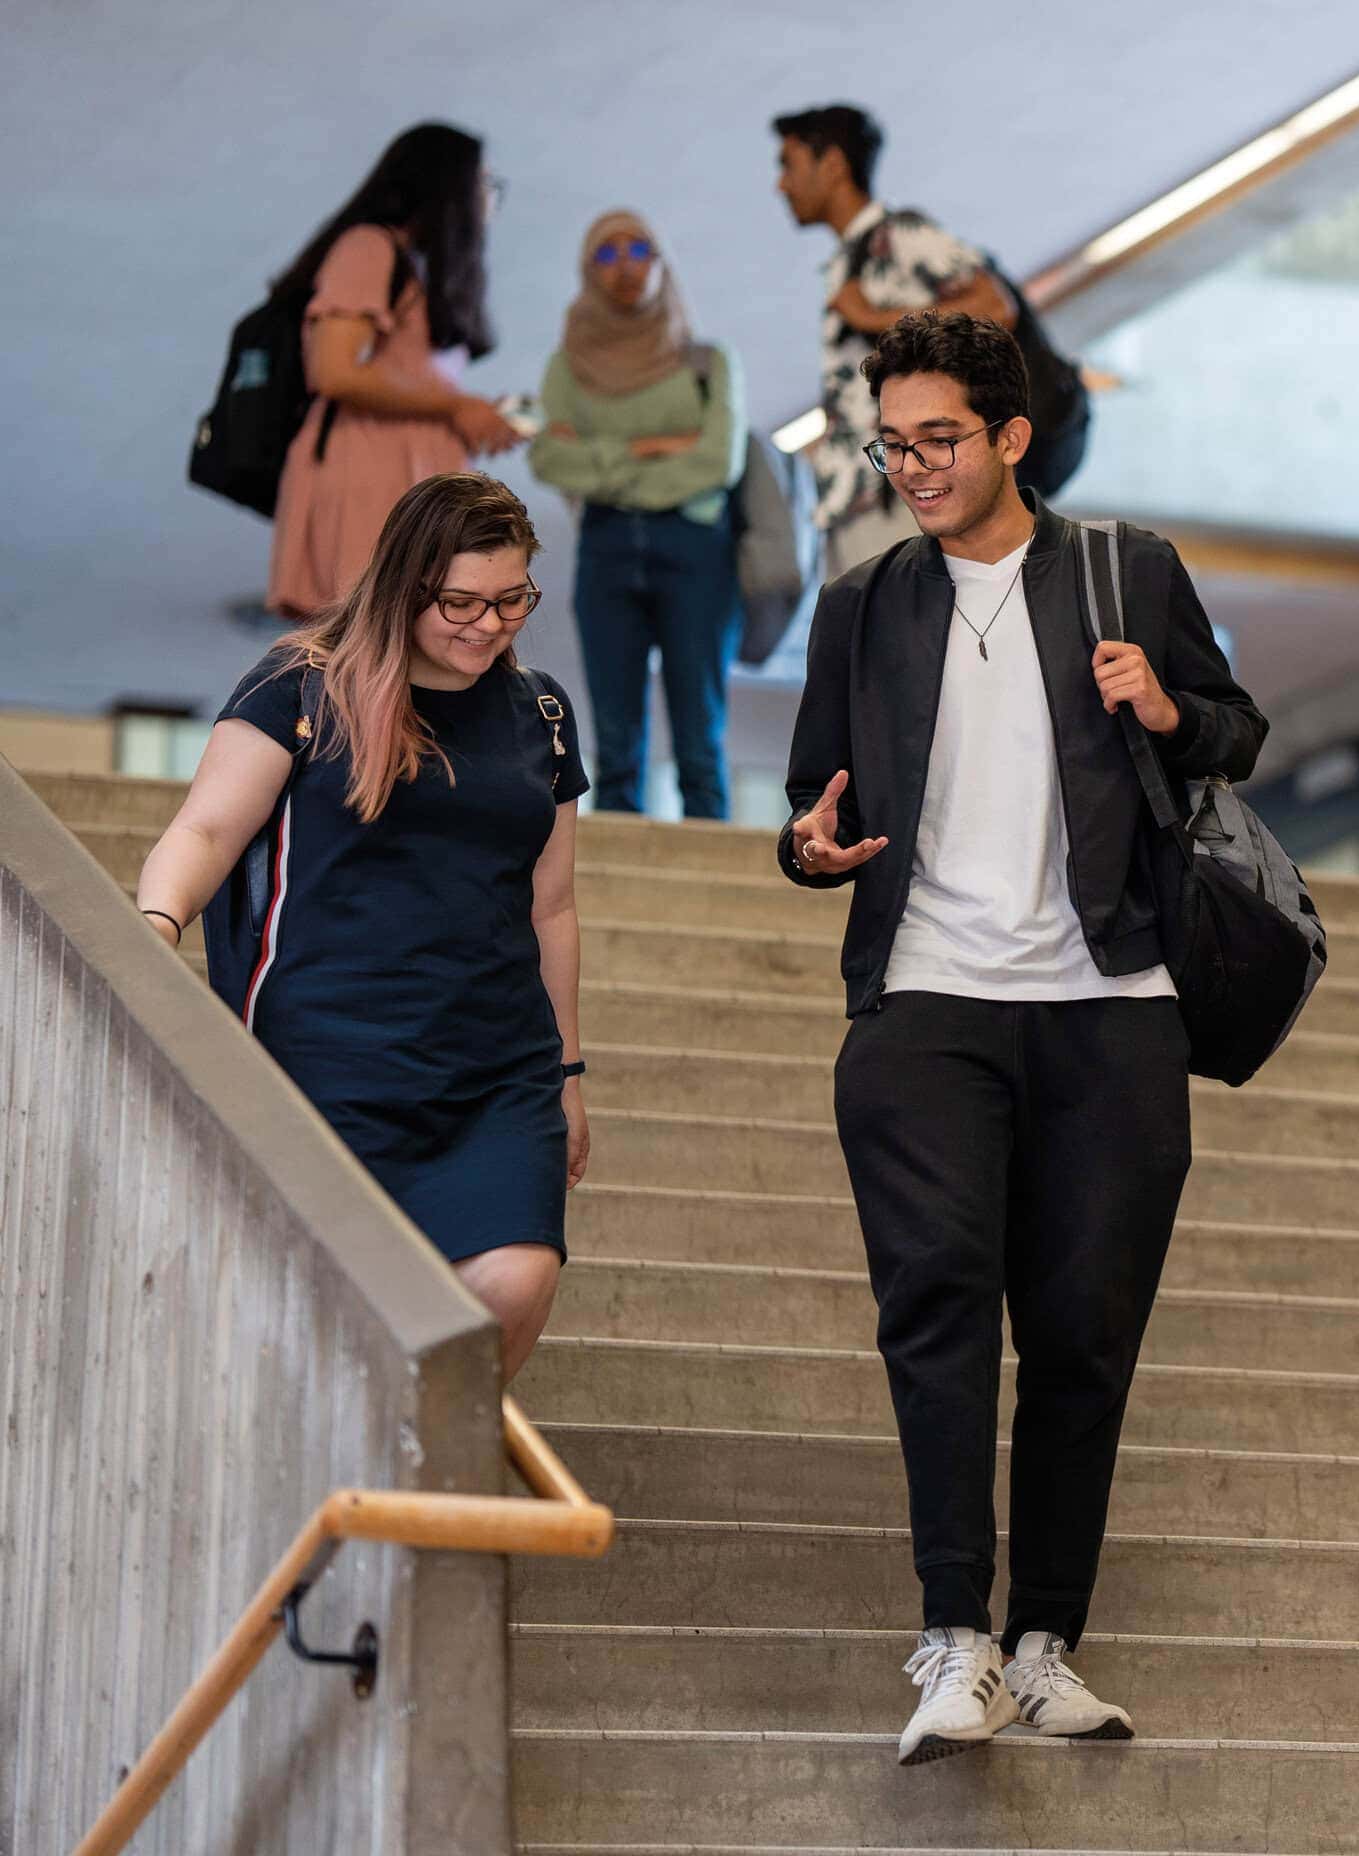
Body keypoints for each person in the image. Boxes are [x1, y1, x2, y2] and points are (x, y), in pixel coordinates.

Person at [778, 311, 1266, 1764]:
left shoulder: (1127, 570)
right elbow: (818, 800)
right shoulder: (865, 606)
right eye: (894, 444)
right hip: (927, 996)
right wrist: (808, 848)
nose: (914, 468)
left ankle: (1047, 1641)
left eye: (940, 440)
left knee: (1081, 1333)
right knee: (936, 1302)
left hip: (1109, 1004)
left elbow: (1236, 736)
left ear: (1010, 439)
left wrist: (1169, 704)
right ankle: (953, 1638)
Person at [136, 473, 589, 1377]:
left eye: (512, 600)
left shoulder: (540, 713)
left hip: (497, 1067)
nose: (489, 624)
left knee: (514, 1279)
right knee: (321, 1316)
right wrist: (153, 925)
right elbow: (207, 828)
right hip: (327, 1055)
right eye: (460, 600)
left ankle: (422, 1489)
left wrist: (569, 1072)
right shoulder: (303, 685)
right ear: (405, 584)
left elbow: (552, 905)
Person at [527, 210, 748, 817]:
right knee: (615, 742)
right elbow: (547, 456)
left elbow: (717, 463)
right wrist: (652, 451)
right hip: (607, 548)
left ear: (661, 261)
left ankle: (715, 898)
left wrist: (602, 463)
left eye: (639, 249)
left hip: (697, 549)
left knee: (700, 737)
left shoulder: (709, 361)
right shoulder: (568, 366)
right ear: (587, 272)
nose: (625, 265)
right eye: (606, 253)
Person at [267, 122, 521, 618]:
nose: (489, 198)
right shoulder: (368, 247)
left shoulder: (418, 270)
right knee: (368, 641)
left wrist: (472, 415)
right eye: (482, 182)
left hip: (409, 476)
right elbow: (335, 371)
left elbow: (403, 377)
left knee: (397, 645)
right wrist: (455, 405)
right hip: (367, 465)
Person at [772, 104, 1021, 578]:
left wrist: (870, 315)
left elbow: (995, 305)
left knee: (908, 642)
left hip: (898, 494)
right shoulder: (848, 259)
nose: (780, 184)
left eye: (789, 164)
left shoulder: (900, 234)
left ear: (833, 166)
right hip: (855, 496)